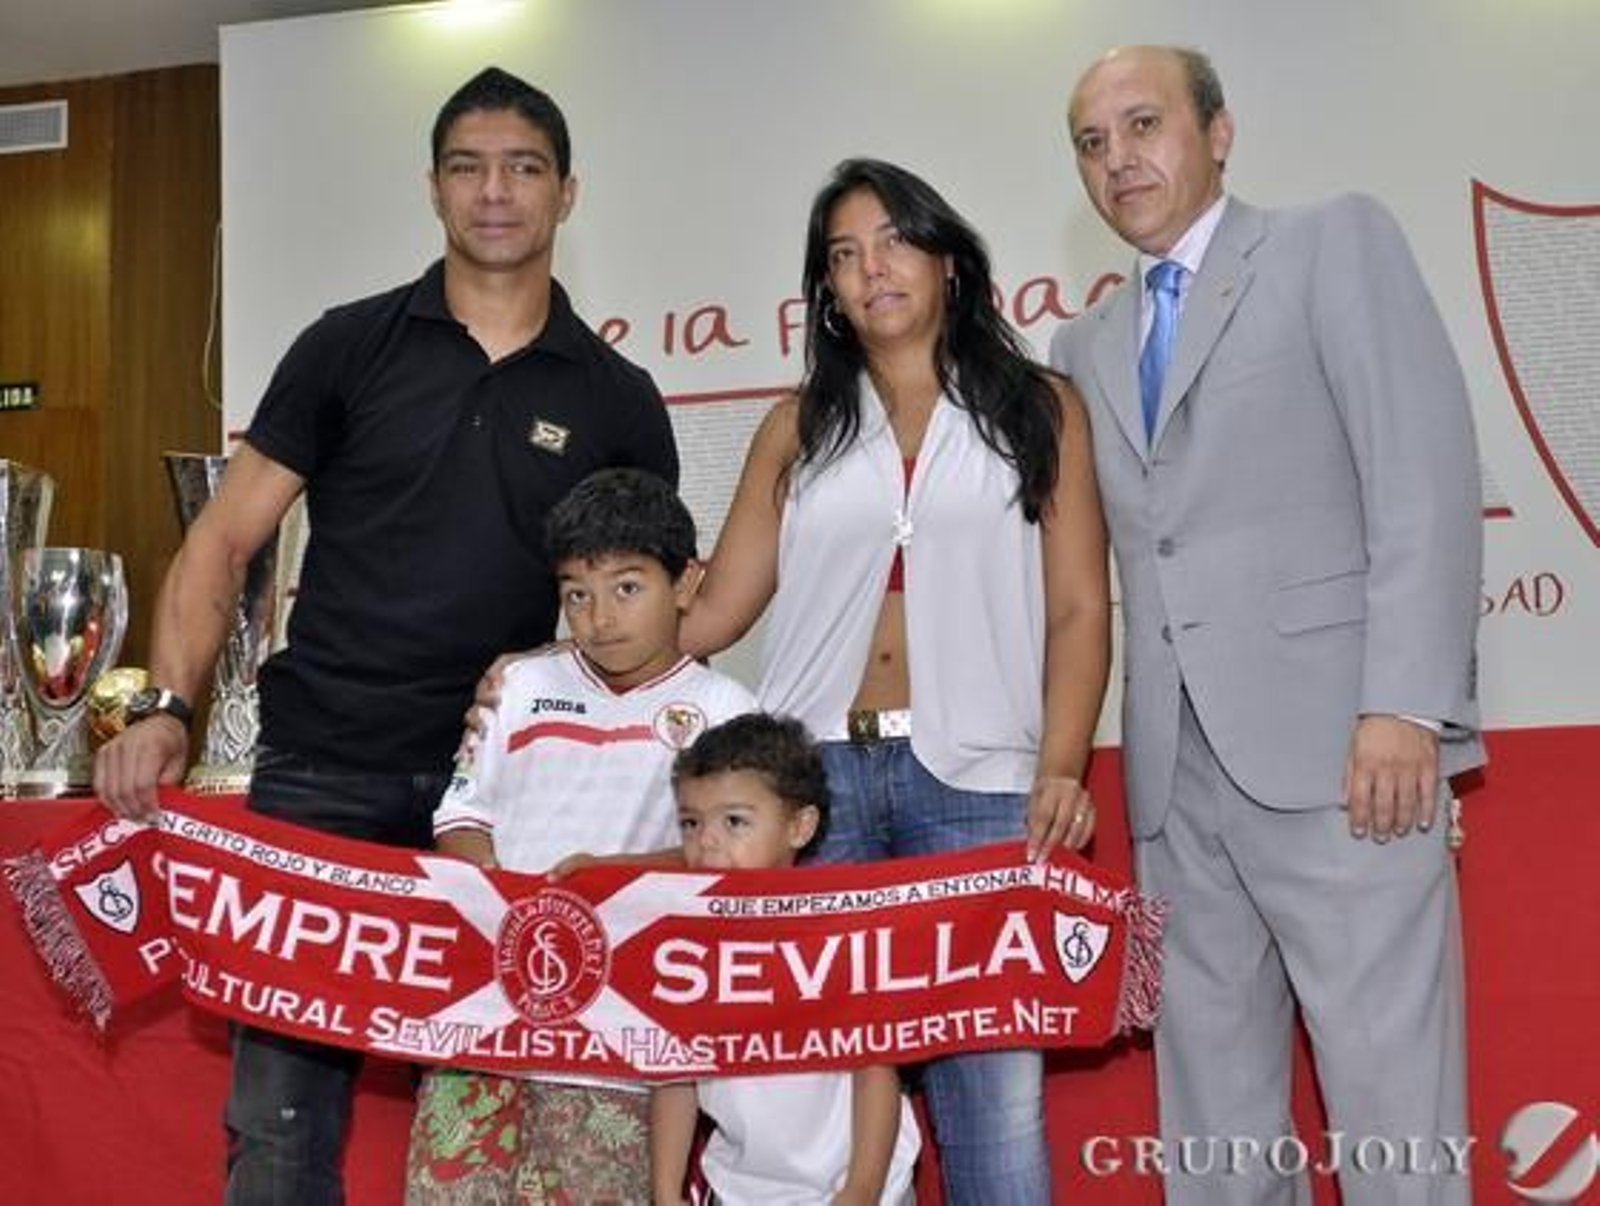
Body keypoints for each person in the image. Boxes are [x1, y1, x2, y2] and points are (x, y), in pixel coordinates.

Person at [93, 67, 678, 1204]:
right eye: (468, 167)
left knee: (513, 1120)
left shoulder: (617, 393)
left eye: (523, 168)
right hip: (323, 775)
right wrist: (167, 709)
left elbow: (652, 604)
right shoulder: (345, 346)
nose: (495, 192)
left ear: (569, 193)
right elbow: (219, 542)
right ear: (432, 187)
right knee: (278, 1124)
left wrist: (560, 687)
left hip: (509, 800)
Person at [1049, 45, 1483, 1205]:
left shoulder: (1328, 243)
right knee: (1214, 1131)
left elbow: (1422, 476)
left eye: (1143, 125)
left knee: (1394, 1114)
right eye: (1092, 143)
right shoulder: (1081, 347)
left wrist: (1402, 705)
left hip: (1346, 753)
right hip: (1174, 783)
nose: (1118, 159)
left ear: (1219, 131)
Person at [680, 159, 1111, 1205]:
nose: (868, 269)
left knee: (992, 1097)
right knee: (815, 1092)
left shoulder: (1038, 407)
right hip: (814, 789)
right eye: (841, 254)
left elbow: (1078, 609)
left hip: (980, 786)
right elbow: (714, 611)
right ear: (823, 290)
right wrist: (560, 660)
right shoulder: (798, 428)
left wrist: (1058, 767)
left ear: (948, 260)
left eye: (891, 241)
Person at [406, 468, 753, 1204]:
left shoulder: (728, 712)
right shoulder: (520, 686)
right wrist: (500, 895)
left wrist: (611, 879)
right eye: (577, 594)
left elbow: (734, 866)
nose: (599, 617)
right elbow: (460, 816)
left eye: (628, 587)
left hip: (617, 1047)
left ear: (687, 583)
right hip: (482, 1030)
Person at [651, 712, 922, 1206]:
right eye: (691, 822)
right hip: (739, 1189)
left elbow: (875, 1068)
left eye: (734, 821)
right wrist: (666, 1193)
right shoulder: (684, 950)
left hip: (858, 1186)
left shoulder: (843, 934)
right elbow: (675, 1074)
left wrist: (860, 1189)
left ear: (799, 826)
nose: (706, 841)